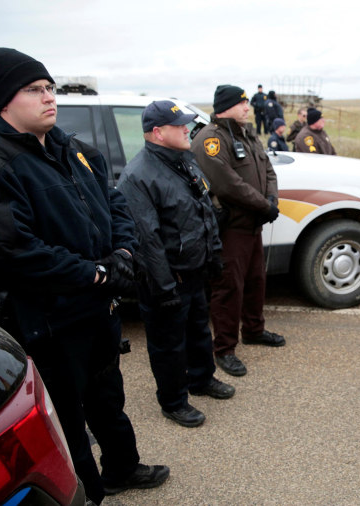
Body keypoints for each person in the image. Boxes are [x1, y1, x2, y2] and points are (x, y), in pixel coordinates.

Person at [0, 47, 169, 504]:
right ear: (3, 101)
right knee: (66, 417)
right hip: (45, 321)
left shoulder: (76, 151)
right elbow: (10, 252)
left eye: (50, 87)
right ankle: (87, 493)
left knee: (108, 398)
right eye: (34, 89)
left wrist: (123, 253)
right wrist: (95, 274)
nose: (49, 97)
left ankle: (123, 468)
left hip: (96, 310)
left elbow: (115, 205)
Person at [117, 100, 236, 428]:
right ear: (157, 133)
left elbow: (203, 213)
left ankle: (201, 379)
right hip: (165, 281)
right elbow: (146, 240)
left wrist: (213, 255)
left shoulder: (184, 161)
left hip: (194, 272)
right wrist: (164, 286)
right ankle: (173, 400)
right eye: (180, 125)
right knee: (168, 344)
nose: (187, 128)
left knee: (199, 328)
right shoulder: (137, 176)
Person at [190, 84, 285, 377]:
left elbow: (268, 169)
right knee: (229, 287)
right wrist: (263, 205)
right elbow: (226, 183)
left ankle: (254, 330)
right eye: (242, 103)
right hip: (231, 227)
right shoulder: (211, 139)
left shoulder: (248, 133)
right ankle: (225, 348)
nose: (248, 107)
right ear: (226, 107)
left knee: (256, 280)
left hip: (253, 224)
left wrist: (271, 200)